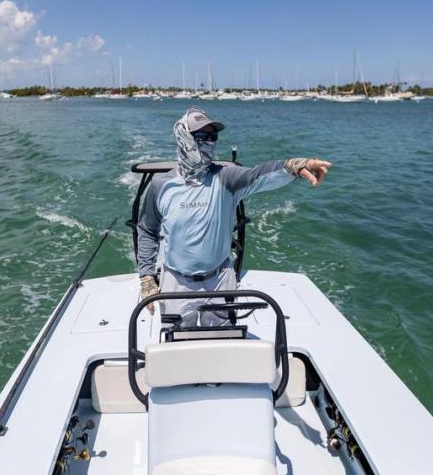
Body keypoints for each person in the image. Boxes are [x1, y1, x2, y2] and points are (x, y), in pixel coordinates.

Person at [137, 106, 331, 326]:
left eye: (213, 136)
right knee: (177, 344)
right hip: (175, 281)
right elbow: (147, 230)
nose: (209, 142)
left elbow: (258, 175)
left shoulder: (226, 179)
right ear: (184, 138)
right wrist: (146, 276)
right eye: (202, 137)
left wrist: (294, 166)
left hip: (220, 279)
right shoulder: (160, 186)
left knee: (223, 343)